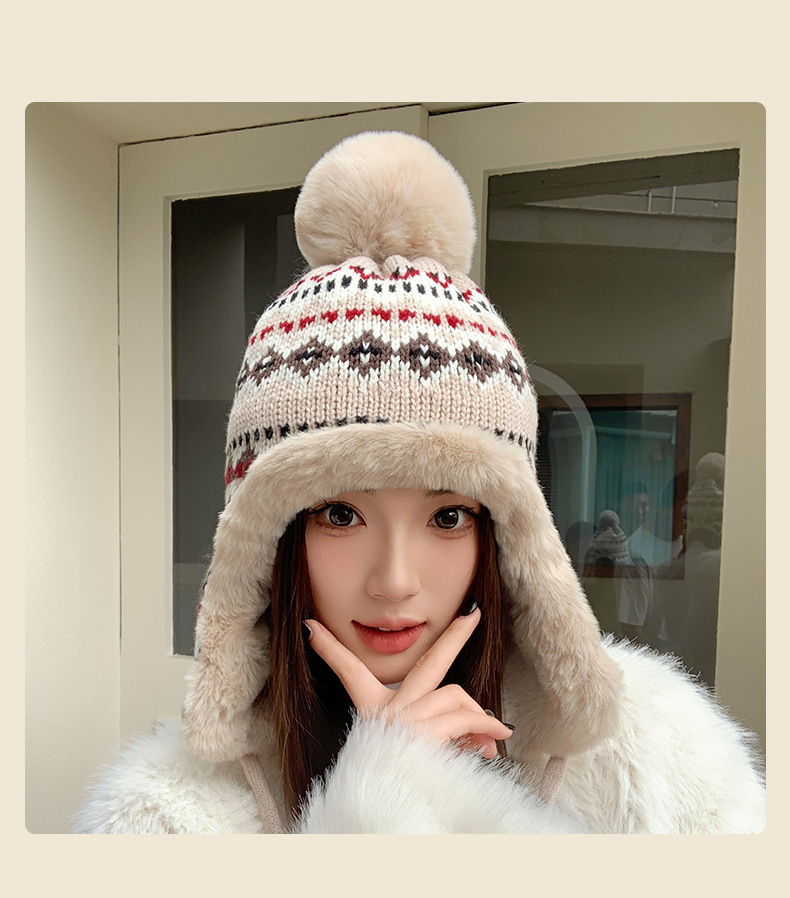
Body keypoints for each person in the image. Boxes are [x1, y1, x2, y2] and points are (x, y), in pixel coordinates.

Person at [75, 132, 765, 834]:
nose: (394, 583)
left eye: (448, 517)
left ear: (507, 538)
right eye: (339, 514)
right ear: (267, 540)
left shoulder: (661, 759)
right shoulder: (164, 818)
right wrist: (379, 802)